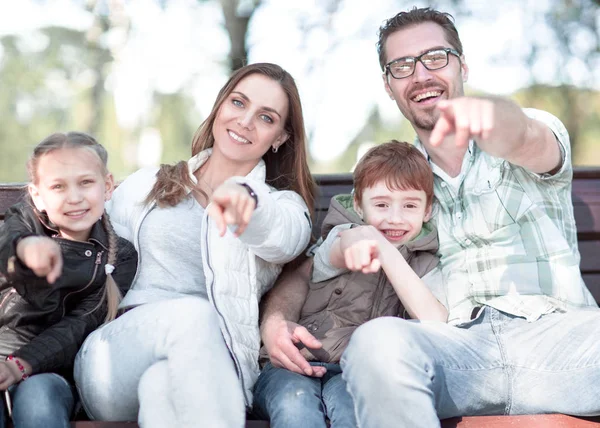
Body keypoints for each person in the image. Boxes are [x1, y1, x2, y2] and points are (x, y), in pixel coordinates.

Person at [259, 7, 600, 428]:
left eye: (436, 57)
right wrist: (275, 321)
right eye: (402, 66)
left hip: (561, 340)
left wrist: (494, 117)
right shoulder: (391, 181)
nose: (421, 75)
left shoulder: (519, 134)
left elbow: (526, 137)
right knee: (376, 344)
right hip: (454, 354)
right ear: (388, 85)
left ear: (463, 65)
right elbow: (315, 264)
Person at [74, 63, 316, 428]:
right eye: (238, 103)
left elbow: (282, 238)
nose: (245, 121)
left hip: (210, 374)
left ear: (280, 136)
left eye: (265, 117)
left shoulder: (283, 207)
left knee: (161, 391)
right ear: (220, 107)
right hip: (115, 358)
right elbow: (79, 232)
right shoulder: (147, 185)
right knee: (194, 315)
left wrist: (243, 198)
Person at [253, 141, 447, 427]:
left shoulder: (425, 263)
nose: (394, 218)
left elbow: (434, 318)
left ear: (427, 210)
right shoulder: (345, 233)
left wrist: (386, 251)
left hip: (350, 372)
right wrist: (364, 241)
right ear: (359, 205)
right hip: (293, 363)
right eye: (381, 204)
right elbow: (337, 250)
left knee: (351, 408)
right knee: (295, 405)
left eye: (410, 205)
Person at [0, 132, 138, 428]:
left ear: (108, 185)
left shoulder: (119, 256)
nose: (74, 197)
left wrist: (20, 366)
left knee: (39, 402)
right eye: (58, 186)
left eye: (86, 182)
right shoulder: (23, 222)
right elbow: (8, 244)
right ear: (37, 195)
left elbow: (79, 324)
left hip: (48, 369)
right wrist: (26, 249)